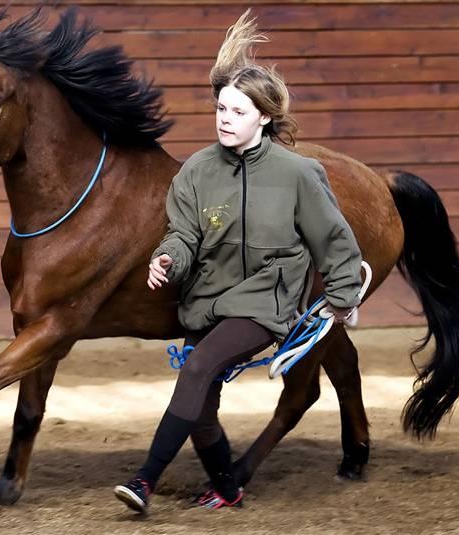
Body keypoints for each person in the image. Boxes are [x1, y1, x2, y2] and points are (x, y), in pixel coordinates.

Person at [114, 10, 363, 513]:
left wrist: (342, 299)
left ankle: (144, 480)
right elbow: (182, 233)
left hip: (265, 299)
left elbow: (335, 240)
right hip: (206, 297)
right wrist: (168, 257)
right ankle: (228, 487)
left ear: (264, 117)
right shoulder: (197, 171)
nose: (225, 119)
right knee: (202, 411)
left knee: (199, 366)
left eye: (238, 112)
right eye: (221, 109)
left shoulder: (298, 173)